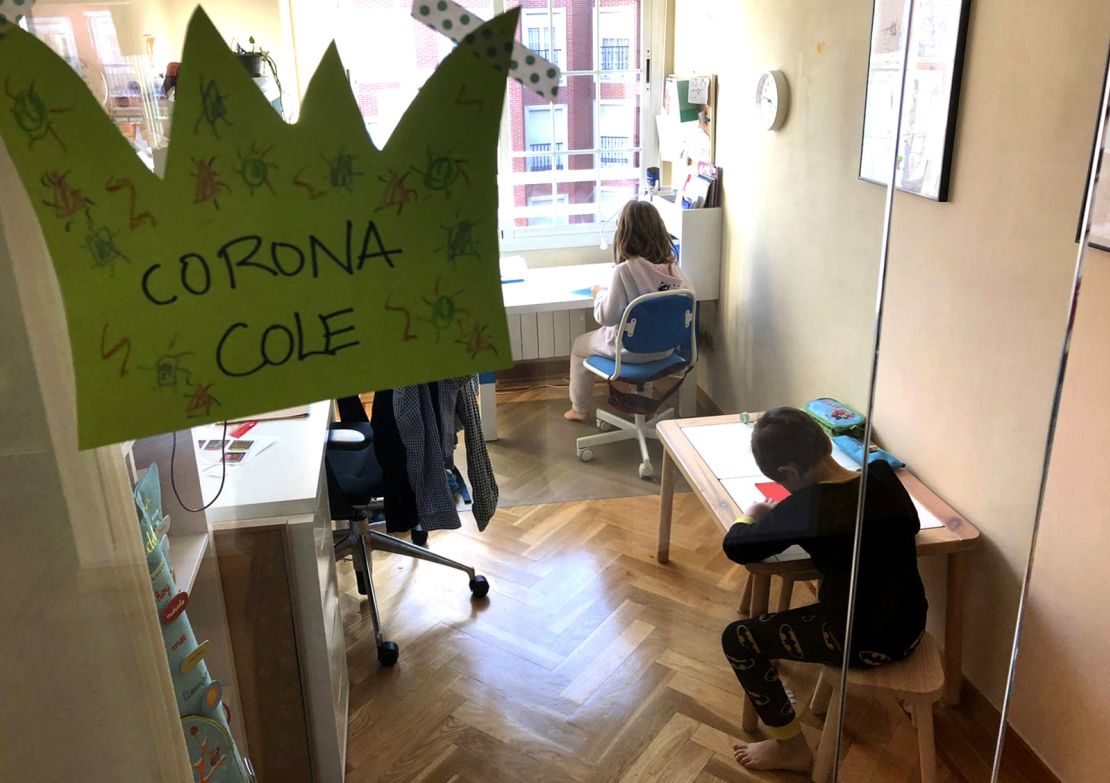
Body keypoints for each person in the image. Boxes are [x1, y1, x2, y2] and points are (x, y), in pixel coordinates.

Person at [721, 407, 927, 772]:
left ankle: (791, 749)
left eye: (784, 483)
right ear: (827, 445)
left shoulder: (807, 507)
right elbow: (910, 524)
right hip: (911, 629)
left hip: (860, 641)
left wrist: (751, 513)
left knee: (737, 638)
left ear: (788, 473)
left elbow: (737, 546)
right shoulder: (881, 474)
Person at [564, 200, 694, 421]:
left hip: (627, 353)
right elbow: (689, 296)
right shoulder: (674, 268)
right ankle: (646, 406)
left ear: (623, 233)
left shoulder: (624, 271)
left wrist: (599, 295)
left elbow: (607, 316)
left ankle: (579, 408)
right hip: (665, 350)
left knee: (579, 346)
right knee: (644, 333)